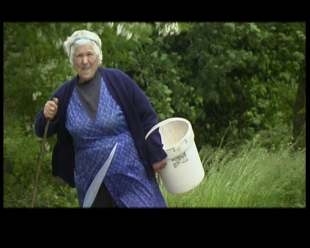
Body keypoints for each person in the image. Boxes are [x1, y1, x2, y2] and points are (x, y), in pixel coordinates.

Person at [34, 30, 168, 208]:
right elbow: (40, 129)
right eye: (79, 56)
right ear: (72, 61)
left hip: (131, 174)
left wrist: (156, 153)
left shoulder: (118, 80)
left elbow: (147, 116)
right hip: (92, 182)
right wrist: (46, 116)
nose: (85, 61)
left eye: (89, 54)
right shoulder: (64, 94)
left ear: (98, 57)